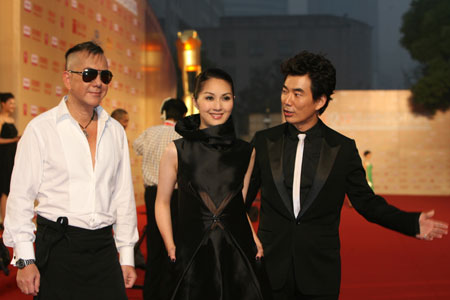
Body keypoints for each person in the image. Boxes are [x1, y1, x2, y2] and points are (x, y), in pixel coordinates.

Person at [246, 51, 448, 300]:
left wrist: (410, 222)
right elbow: (240, 201)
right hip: (269, 269)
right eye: (285, 91)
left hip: (319, 273)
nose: (287, 100)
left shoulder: (341, 149)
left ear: (319, 101)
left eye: (297, 94)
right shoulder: (264, 142)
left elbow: (366, 203)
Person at [3, 41, 138, 299]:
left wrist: (127, 254)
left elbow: (123, 196)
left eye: (105, 76)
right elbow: (20, 197)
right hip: (57, 248)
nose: (98, 82)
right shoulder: (40, 129)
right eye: (89, 74)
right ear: (67, 78)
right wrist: (24, 259)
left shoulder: (115, 132)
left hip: (103, 249)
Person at [155, 68, 272, 300]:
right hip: (193, 248)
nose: (218, 106)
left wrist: (254, 237)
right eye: (209, 97)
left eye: (225, 98)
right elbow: (162, 202)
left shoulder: (246, 151)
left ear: (233, 101)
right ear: (196, 100)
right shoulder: (176, 150)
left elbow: (239, 204)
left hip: (236, 249)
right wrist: (170, 245)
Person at [133, 97, 187, 300]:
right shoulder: (183, 135)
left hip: (153, 193)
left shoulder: (150, 132)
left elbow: (137, 147)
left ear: (164, 113)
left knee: (155, 245)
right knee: (175, 243)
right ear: (183, 115)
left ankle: (152, 293)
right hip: (176, 194)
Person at [0, 93, 20, 230]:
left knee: (10, 187)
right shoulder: (0, 119)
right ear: (3, 104)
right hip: (3, 157)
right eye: (10, 103)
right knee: (4, 189)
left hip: (12, 156)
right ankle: (4, 220)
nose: (13, 106)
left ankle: (10, 219)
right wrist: (13, 140)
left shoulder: (11, 120)